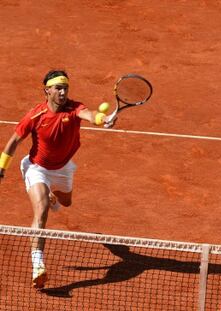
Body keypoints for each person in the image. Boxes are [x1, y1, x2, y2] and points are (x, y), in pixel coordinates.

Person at [0, 70, 112, 288]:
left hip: (63, 168)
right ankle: (38, 264)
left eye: (65, 88)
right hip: (37, 168)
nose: (63, 92)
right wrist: (1, 168)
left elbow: (89, 115)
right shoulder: (35, 115)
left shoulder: (74, 107)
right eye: (58, 88)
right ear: (47, 91)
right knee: (41, 210)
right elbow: (14, 140)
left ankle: (52, 196)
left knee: (65, 202)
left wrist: (102, 118)